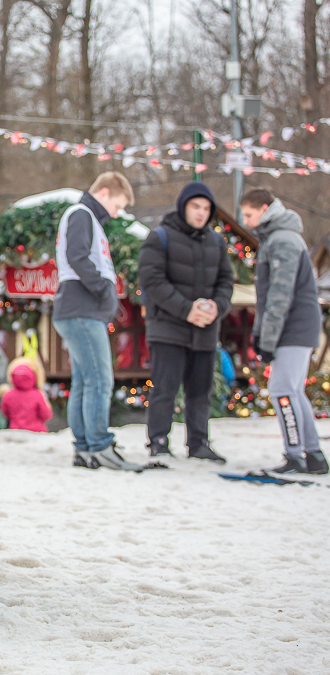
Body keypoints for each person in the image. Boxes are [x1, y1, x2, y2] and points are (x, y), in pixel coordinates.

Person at [138, 181, 234, 462]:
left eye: (206, 208)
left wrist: (217, 306)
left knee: (200, 392)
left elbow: (226, 281)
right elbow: (152, 281)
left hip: (205, 330)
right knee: (165, 389)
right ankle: (158, 441)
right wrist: (186, 309)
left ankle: (198, 443)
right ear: (183, 207)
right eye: (196, 206)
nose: (201, 213)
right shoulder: (160, 237)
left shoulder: (216, 241)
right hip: (167, 328)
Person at [52, 172, 138, 470]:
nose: (117, 213)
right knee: (100, 379)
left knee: (85, 381)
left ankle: (86, 446)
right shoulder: (82, 214)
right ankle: (99, 444)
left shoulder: (86, 217)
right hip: (82, 308)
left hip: (77, 308)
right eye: (117, 205)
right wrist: (104, 289)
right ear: (104, 193)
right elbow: (78, 257)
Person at [240, 189, 328, 475]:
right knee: (292, 390)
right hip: (294, 325)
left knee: (281, 390)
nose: (245, 220)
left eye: (249, 214)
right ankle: (313, 455)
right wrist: (260, 333)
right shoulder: (277, 238)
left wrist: (267, 338)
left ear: (265, 209)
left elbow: (279, 294)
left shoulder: (283, 240)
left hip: (293, 326)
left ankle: (295, 455)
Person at [0, 357, 52, 433]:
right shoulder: (38, 395)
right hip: (37, 432)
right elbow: (46, 415)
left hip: (16, 432)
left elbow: (5, 413)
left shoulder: (8, 395)